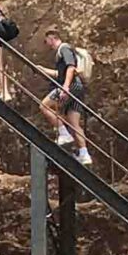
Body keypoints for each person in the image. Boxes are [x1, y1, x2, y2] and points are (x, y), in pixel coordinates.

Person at [40, 32, 93, 160]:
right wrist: (43, 69)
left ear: (51, 38)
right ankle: (84, 154)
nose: (47, 45)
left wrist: (65, 87)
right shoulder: (65, 51)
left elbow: (70, 68)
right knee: (74, 122)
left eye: (46, 41)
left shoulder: (64, 48)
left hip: (71, 86)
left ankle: (64, 133)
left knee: (44, 106)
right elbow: (61, 73)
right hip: (77, 88)